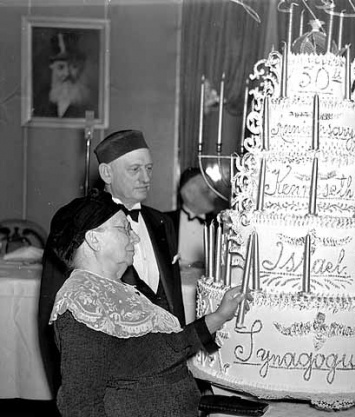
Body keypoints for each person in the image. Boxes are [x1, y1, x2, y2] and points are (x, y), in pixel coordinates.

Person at [47, 189, 248, 416]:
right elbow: (80, 405)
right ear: (94, 239)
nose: (136, 237)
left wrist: (219, 316)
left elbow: (167, 349)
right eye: (124, 229)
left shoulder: (119, 291)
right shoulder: (82, 303)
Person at [38, 129, 186, 397]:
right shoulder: (78, 224)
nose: (146, 177)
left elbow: (173, 302)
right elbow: (53, 316)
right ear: (107, 174)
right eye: (135, 169)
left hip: (164, 382)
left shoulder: (162, 223)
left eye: (150, 168)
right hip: (111, 391)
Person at [33, 31, 92, 118]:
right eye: (61, 67)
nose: (67, 73)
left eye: (74, 66)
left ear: (81, 68)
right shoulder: (41, 100)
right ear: (52, 67)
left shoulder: (87, 103)